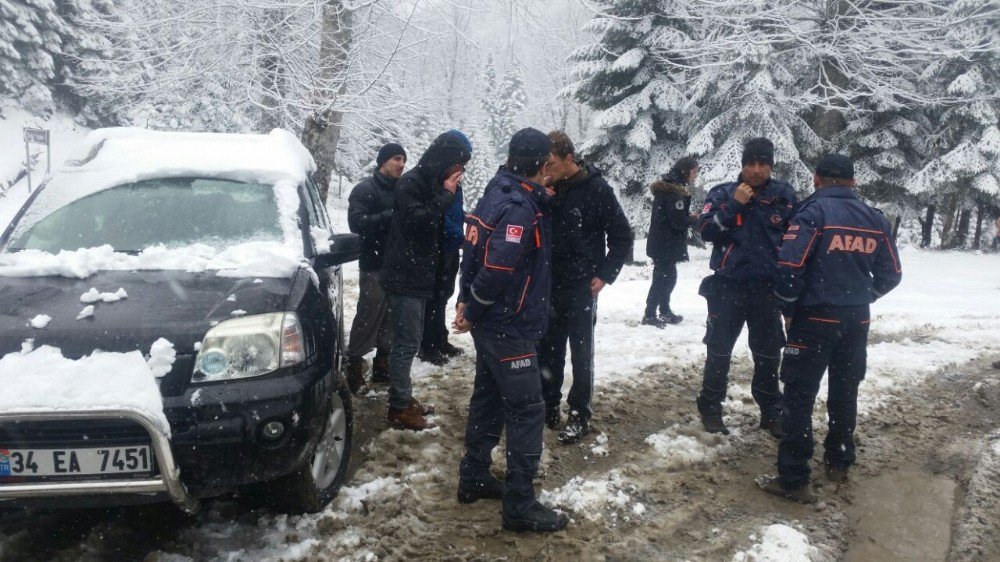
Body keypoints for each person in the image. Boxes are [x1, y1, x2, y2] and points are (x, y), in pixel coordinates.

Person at [759, 154, 902, 503]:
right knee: (845, 389)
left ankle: (793, 478)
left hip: (815, 318)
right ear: (852, 182)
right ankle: (839, 458)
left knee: (798, 394)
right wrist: (858, 297)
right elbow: (892, 274)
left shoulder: (812, 213)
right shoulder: (875, 218)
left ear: (816, 179)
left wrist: (790, 309)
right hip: (856, 320)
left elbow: (789, 267)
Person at [453, 128, 569, 533]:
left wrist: (467, 301)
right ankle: (520, 503)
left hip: (492, 323)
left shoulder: (498, 189)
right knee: (527, 410)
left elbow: (472, 249)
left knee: (488, 396)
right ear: (540, 165)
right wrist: (475, 304)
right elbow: (498, 267)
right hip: (509, 325)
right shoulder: (520, 207)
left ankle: (474, 476)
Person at [696, 137, 797, 437]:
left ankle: (770, 411)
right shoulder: (723, 193)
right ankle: (711, 408)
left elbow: (797, 240)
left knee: (768, 354)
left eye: (762, 164)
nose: (756, 170)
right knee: (719, 351)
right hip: (727, 287)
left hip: (767, 290)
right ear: (742, 164)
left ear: (771, 165)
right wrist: (734, 206)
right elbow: (705, 231)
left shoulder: (784, 197)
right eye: (750, 163)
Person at [537, 131, 633, 444]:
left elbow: (622, 236)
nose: (546, 168)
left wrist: (605, 274)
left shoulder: (597, 189)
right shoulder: (546, 189)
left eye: (550, 162)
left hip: (582, 285)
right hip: (550, 283)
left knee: (581, 353)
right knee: (548, 350)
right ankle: (548, 406)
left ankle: (580, 413)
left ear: (569, 158)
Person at [380, 130, 472, 430]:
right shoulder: (412, 182)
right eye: (459, 163)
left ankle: (403, 398)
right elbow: (418, 220)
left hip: (419, 274)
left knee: (411, 338)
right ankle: (398, 408)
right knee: (406, 343)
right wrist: (445, 195)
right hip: (405, 275)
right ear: (446, 158)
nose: (461, 171)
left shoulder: (430, 182)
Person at [344, 143, 406, 394]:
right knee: (368, 317)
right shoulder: (364, 190)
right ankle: (354, 365)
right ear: (382, 162)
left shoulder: (403, 189)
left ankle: (383, 365)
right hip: (373, 265)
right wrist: (390, 215)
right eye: (396, 159)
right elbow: (356, 223)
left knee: (392, 318)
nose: (401, 164)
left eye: (404, 160)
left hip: (398, 265)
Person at [643, 156, 699, 327]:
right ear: (686, 171)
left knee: (666, 277)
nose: (696, 175)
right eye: (695, 171)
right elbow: (677, 222)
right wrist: (693, 219)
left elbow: (671, 216)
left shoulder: (672, 189)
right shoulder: (675, 193)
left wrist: (685, 216)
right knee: (663, 279)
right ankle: (650, 314)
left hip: (663, 243)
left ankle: (664, 311)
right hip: (665, 244)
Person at [417, 171, 466, 366]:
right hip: (437, 248)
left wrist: (468, 218)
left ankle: (440, 339)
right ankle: (427, 346)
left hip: (450, 249)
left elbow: (454, 212)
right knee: (433, 299)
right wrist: (460, 238)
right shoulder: (436, 183)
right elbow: (438, 216)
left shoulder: (456, 185)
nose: (461, 170)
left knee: (444, 296)